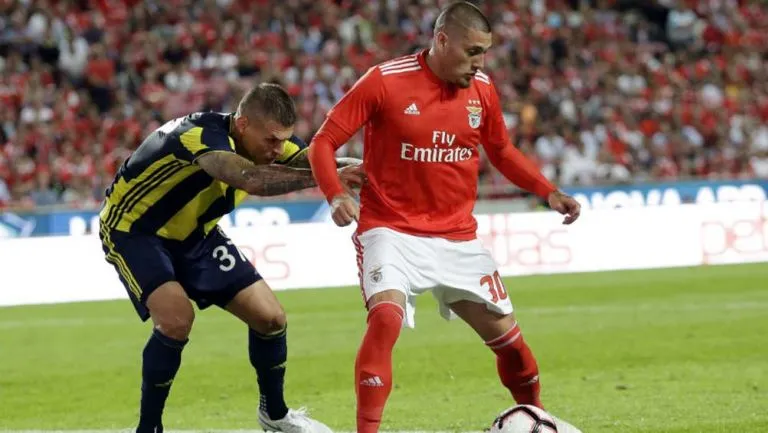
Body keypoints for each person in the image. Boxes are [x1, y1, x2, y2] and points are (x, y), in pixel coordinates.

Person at [307, 2, 583, 433]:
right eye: (472, 51)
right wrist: (335, 193)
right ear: (441, 40)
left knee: (512, 347)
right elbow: (323, 142)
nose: (480, 63)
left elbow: (503, 151)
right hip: (390, 229)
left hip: (458, 238)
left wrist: (548, 191)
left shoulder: (483, 90)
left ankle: (537, 419)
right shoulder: (385, 81)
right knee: (384, 320)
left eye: (485, 53)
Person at [98, 82, 364, 433]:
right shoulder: (200, 136)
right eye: (271, 140)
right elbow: (248, 178)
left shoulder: (266, 143)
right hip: (136, 231)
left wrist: (356, 167)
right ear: (242, 125)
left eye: (283, 139)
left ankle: (275, 415)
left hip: (196, 234)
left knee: (271, 318)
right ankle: (149, 429)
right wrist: (329, 176)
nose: (277, 149)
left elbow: (310, 159)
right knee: (177, 319)